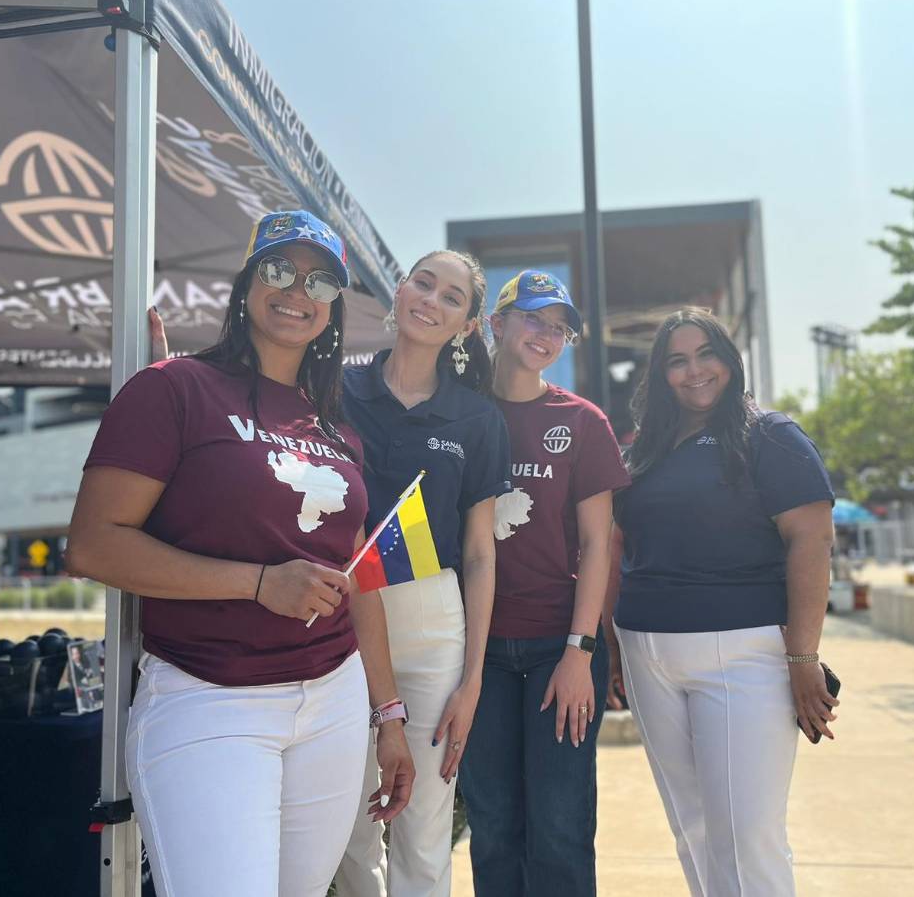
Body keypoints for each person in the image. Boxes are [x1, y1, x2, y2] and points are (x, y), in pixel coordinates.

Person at [67, 211, 414, 897]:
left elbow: (358, 579)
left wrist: (389, 716)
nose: (297, 290)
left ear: (333, 306)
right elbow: (92, 544)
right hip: (210, 698)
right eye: (279, 269)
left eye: (320, 280)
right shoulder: (174, 389)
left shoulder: (338, 429)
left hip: (333, 702)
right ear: (248, 281)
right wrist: (259, 583)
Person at [604, 307, 838, 897]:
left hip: (743, 654)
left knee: (748, 834)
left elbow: (811, 542)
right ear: (660, 375)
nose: (694, 372)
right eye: (676, 361)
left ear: (730, 360)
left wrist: (804, 659)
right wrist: (609, 644)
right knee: (694, 829)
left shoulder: (769, 436)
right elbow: (614, 547)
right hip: (647, 652)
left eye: (706, 354)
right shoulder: (645, 451)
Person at [335, 250, 511, 897]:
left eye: (452, 297)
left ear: (469, 325)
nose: (431, 300)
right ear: (400, 289)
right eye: (423, 283)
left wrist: (471, 680)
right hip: (341, 614)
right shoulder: (333, 386)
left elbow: (481, 553)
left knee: (425, 824)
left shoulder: (478, 418)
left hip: (434, 623)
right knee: (348, 823)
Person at [459, 271, 630, 896]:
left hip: (559, 648)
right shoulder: (460, 411)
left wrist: (580, 652)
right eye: (533, 319)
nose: (547, 335)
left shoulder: (581, 421)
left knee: (559, 829)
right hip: (477, 655)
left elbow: (597, 544)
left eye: (559, 328)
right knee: (494, 826)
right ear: (495, 324)